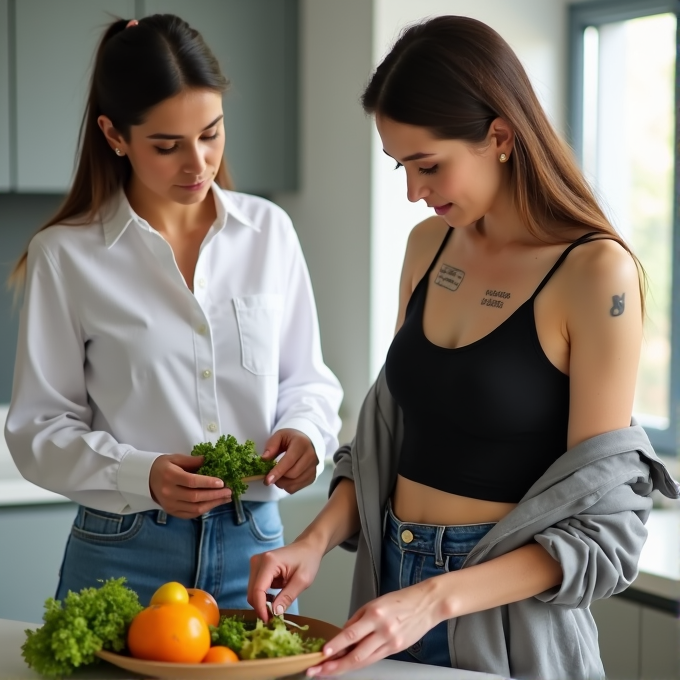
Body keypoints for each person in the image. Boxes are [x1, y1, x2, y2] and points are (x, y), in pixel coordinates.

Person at [247, 15, 679, 679]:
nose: (415, 192)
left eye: (428, 166)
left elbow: (602, 527)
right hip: (390, 593)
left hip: (504, 620)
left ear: (499, 136)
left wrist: (434, 600)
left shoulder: (596, 275)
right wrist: (313, 541)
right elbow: (386, 441)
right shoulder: (429, 247)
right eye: (402, 167)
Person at [4, 14, 342, 611]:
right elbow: (37, 431)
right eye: (167, 145)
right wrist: (143, 474)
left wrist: (309, 433)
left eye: (211, 133)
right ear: (115, 135)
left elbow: (306, 379)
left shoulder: (269, 232)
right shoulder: (67, 255)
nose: (198, 164)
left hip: (256, 549)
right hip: (123, 551)